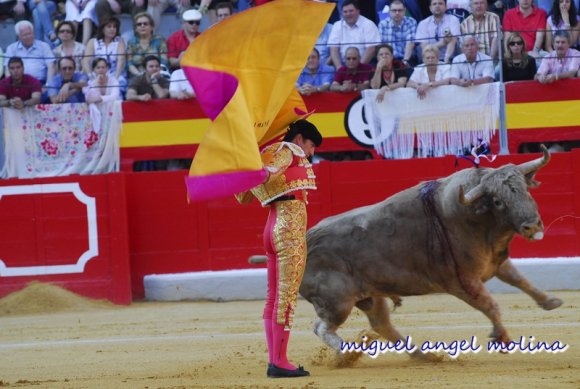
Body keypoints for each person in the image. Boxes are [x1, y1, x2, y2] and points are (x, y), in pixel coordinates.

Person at [235, 119, 322, 379]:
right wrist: (264, 171)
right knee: (285, 299)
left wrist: (250, 165)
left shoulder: (268, 151)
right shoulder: (287, 151)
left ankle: (276, 359)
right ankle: (280, 361)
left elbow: (243, 196)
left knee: (274, 296)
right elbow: (272, 170)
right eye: (311, 144)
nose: (311, 152)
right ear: (299, 140)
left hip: (271, 227)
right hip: (289, 228)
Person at [328, 0, 380, 69]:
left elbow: (371, 49)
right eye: (345, 12)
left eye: (351, 11)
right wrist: (340, 69)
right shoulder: (337, 25)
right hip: (343, 64)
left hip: (364, 64)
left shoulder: (369, 24)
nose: (348, 14)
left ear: (358, 11)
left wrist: (357, 69)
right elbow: (333, 49)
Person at [83, 16, 127, 92]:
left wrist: (115, 79)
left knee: (116, 86)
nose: (112, 29)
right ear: (103, 28)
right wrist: (92, 77)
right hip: (96, 75)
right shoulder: (93, 41)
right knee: (92, 88)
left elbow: (121, 60)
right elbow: (85, 61)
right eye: (109, 26)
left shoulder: (119, 41)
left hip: (115, 74)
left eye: (114, 27)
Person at [126, 12, 169, 79]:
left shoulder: (160, 40)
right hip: (137, 77)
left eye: (145, 24)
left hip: (158, 75)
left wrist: (157, 74)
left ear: (151, 27)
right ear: (136, 28)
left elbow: (164, 61)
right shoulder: (131, 43)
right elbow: (129, 64)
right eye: (139, 24)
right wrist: (139, 75)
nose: (142, 26)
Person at [377, 0, 417, 65]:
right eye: (394, 10)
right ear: (389, 11)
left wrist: (405, 61)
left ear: (404, 11)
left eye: (400, 10)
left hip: (407, 58)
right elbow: (382, 46)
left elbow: (410, 43)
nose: (397, 13)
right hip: (388, 60)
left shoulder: (411, 21)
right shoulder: (382, 24)